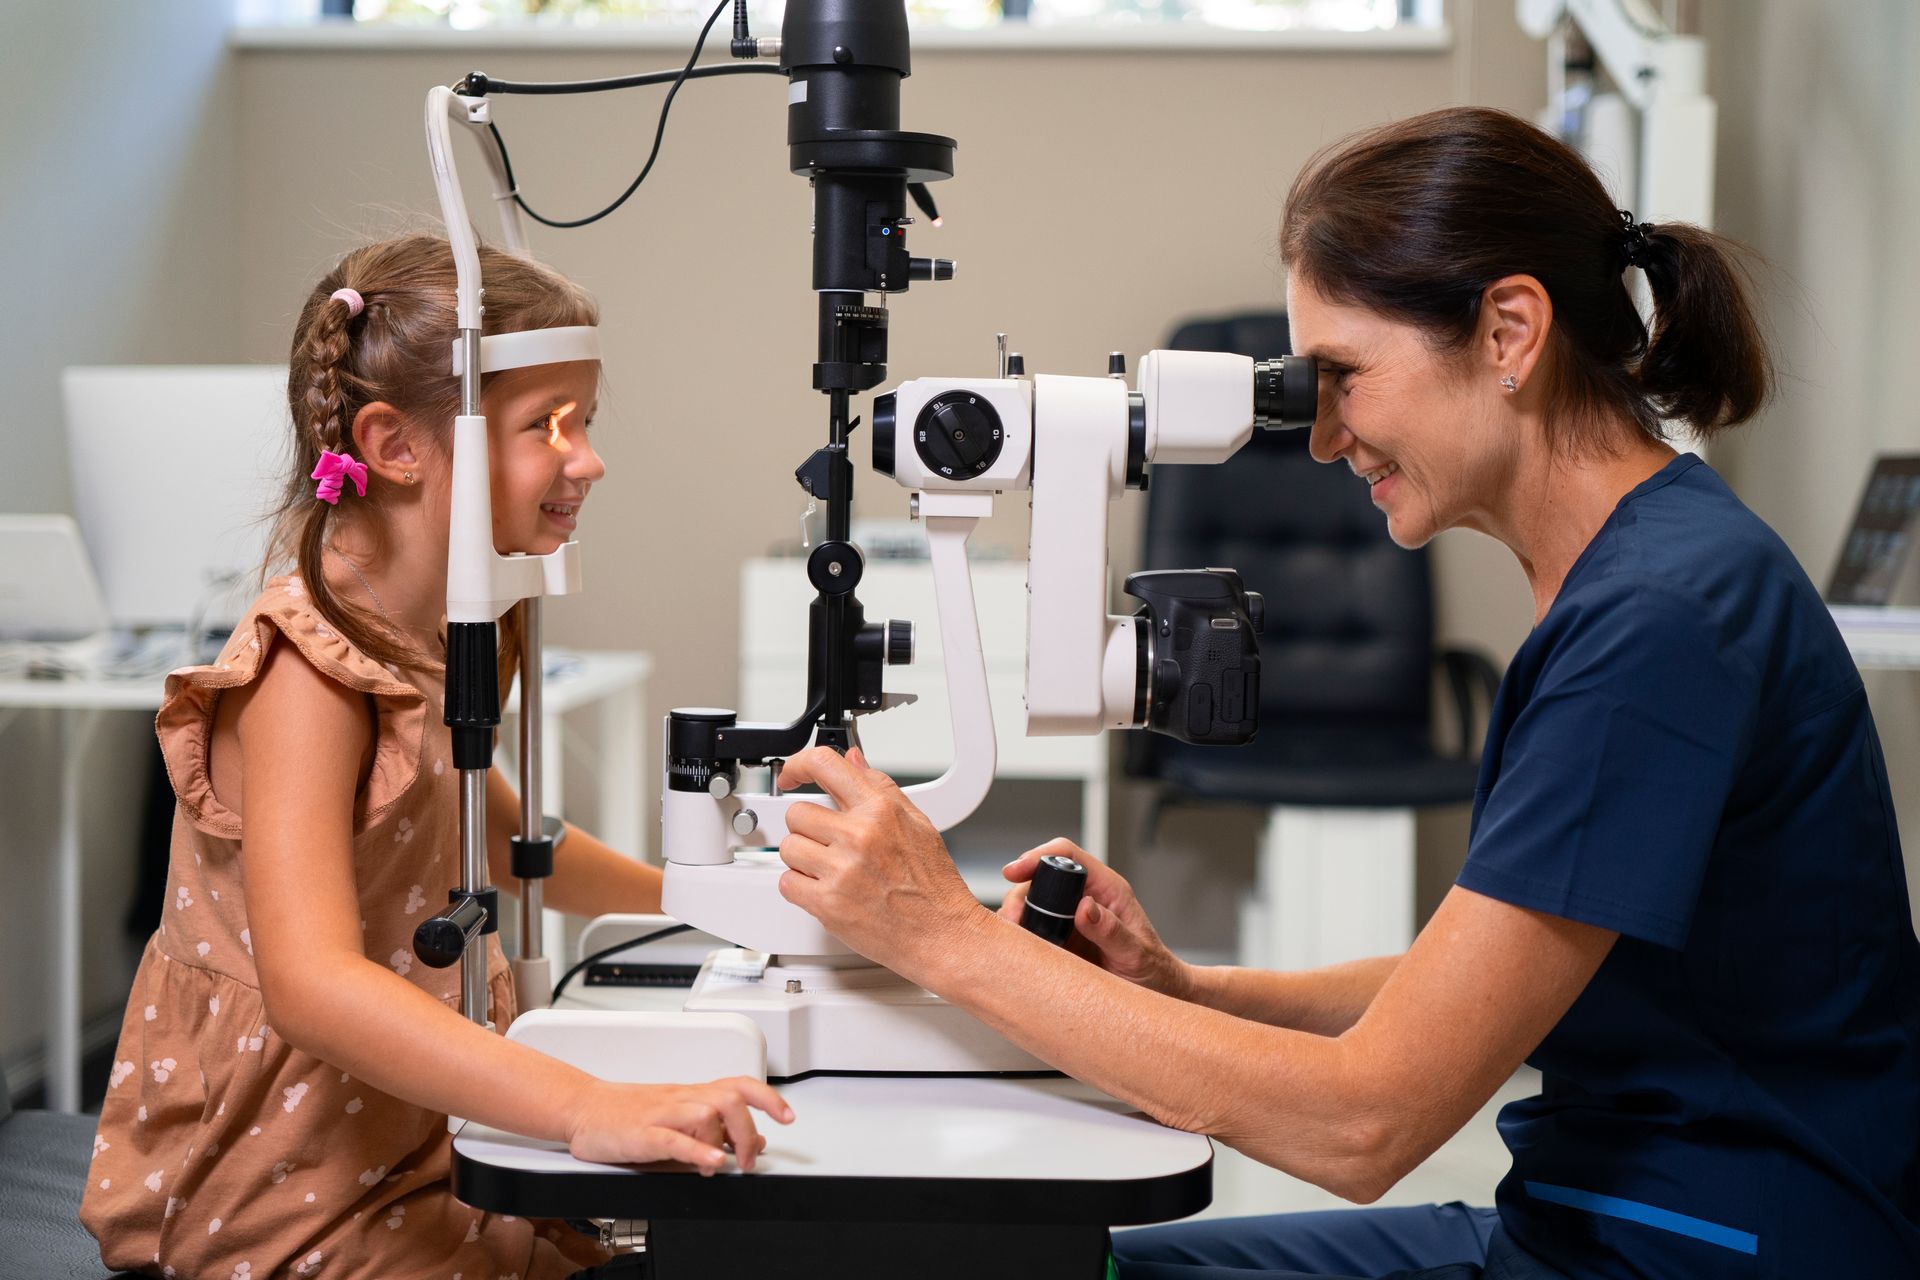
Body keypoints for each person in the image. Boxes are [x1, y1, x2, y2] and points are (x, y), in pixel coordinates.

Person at [764, 107, 1920, 1279]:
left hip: (1707, 1252)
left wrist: (940, 933)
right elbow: (1475, 991)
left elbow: (1365, 1123)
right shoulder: (1641, 576)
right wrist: (1185, 988)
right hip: (1611, 1220)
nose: (1324, 439)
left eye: (1344, 376)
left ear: (1510, 330)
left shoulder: (1658, 621)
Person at [80, 235, 791, 1280]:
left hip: (416, 1139)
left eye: (586, 422)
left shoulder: (428, 632)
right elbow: (313, 984)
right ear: (396, 443)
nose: (587, 458)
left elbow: (506, 839)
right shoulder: (306, 673)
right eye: (550, 426)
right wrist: (585, 1106)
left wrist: (718, 901)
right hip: (286, 1187)